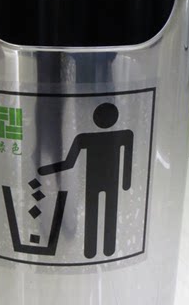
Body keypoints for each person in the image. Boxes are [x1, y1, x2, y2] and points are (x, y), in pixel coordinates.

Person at [38, 103, 133, 259]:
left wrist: (47, 169)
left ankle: (95, 250)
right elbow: (70, 161)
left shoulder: (96, 137)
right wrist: (125, 182)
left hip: (98, 184)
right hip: (107, 183)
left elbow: (69, 162)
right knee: (104, 213)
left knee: (97, 214)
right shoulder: (121, 135)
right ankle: (104, 249)